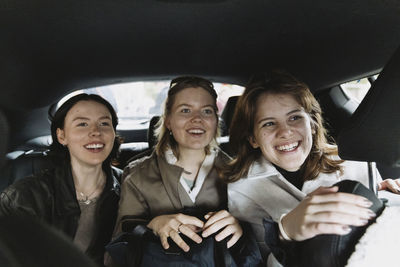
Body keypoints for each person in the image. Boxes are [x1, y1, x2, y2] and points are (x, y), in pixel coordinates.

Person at [224, 71, 400, 266]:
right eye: (269, 123)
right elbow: (259, 261)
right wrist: (285, 233)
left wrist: (381, 192)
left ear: (313, 124)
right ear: (253, 139)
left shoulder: (351, 160)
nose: (285, 132)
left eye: (294, 118)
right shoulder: (242, 187)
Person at [110, 76, 261, 266]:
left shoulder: (239, 173)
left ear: (216, 120)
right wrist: (152, 225)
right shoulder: (137, 175)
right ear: (168, 121)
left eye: (206, 111)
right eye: (185, 110)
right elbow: (117, 251)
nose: (197, 119)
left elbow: (262, 245)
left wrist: (240, 230)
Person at [0, 93, 122, 266]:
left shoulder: (130, 188)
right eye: (82, 124)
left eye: (104, 123)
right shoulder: (23, 197)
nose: (96, 132)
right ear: (62, 136)